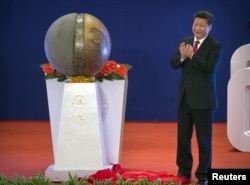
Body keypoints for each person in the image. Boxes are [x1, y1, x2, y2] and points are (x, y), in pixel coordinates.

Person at [170, 10, 223, 185]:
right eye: (195, 24)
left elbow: (210, 67)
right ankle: (184, 172)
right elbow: (173, 63)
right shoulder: (185, 41)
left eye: (201, 25)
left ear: (209, 27)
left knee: (204, 141)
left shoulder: (215, 46)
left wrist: (192, 56)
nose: (197, 28)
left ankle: (204, 175)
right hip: (184, 98)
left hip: (203, 100)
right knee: (183, 139)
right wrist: (183, 57)